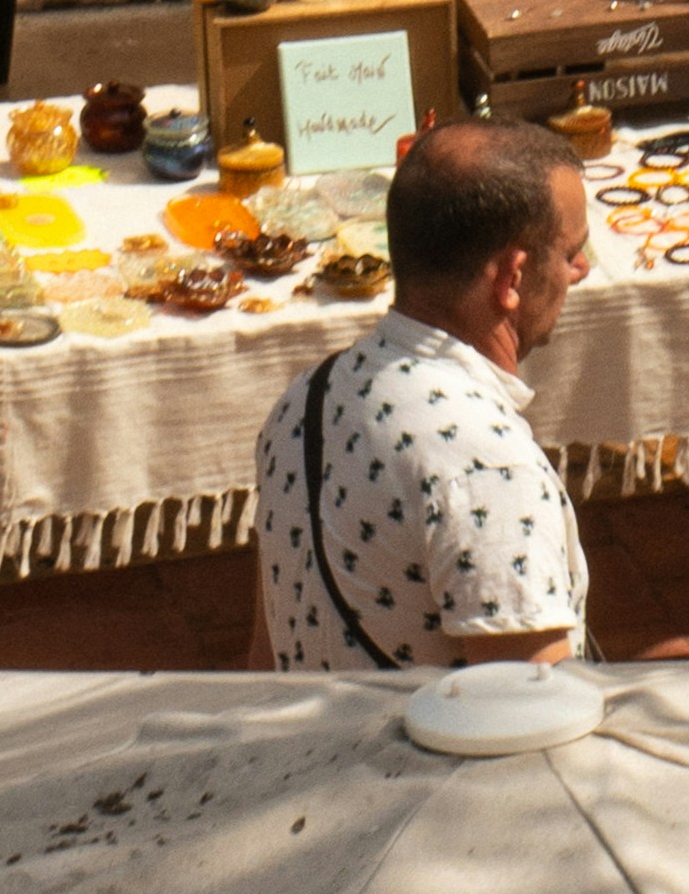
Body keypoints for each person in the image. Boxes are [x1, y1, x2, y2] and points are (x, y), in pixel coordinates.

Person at [251, 115, 591, 671]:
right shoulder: (487, 466)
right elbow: (527, 713)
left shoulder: (301, 402)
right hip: (420, 760)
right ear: (511, 278)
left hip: (304, 751)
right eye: (571, 250)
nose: (580, 270)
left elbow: (265, 652)